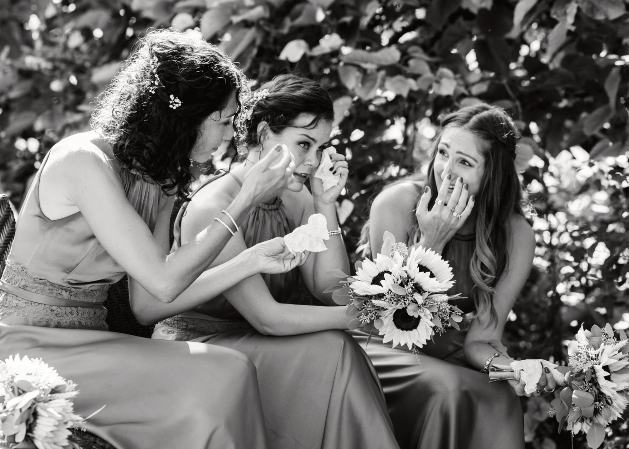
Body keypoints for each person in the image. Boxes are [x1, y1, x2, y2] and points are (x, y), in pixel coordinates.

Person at [0, 29, 304, 449]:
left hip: (94, 340)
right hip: (29, 348)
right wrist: (245, 199)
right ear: (185, 119)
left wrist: (250, 260)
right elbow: (163, 281)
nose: (232, 134)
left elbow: (147, 305)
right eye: (223, 120)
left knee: (231, 369)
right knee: (221, 379)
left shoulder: (158, 179)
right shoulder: (81, 161)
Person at [152, 74, 399, 449]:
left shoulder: (297, 200)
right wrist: (367, 319)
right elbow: (267, 317)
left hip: (264, 341)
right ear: (265, 133)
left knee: (335, 347)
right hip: (207, 342)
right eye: (304, 144)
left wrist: (324, 204)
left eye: (321, 148)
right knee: (334, 347)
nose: (314, 161)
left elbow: (332, 292)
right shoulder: (214, 206)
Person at [351, 103, 561, 449]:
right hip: (381, 348)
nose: (445, 172)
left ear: (491, 174)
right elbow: (389, 318)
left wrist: (516, 368)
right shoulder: (397, 204)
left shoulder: (515, 234)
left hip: (455, 355)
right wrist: (432, 240)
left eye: (464, 162)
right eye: (443, 153)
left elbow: (482, 338)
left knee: (501, 399)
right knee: (447, 389)